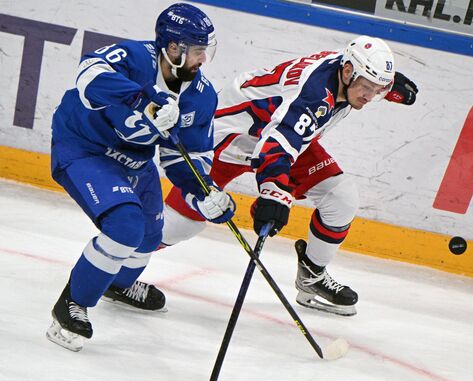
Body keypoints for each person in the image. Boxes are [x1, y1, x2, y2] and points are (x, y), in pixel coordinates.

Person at [161, 36, 418, 316]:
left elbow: (287, 139)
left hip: (281, 134)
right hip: (229, 136)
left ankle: (311, 278)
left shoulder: (347, 68)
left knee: (340, 198)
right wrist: (273, 193)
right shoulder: (315, 95)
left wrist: (386, 85)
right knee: (182, 224)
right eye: (367, 88)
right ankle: (120, 261)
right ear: (347, 72)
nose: (369, 97)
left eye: (377, 91)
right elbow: (275, 150)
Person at [46, 3, 235, 352]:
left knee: (149, 236)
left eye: (204, 51)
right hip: (84, 146)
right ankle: (71, 305)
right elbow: (88, 75)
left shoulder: (201, 96)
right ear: (173, 48)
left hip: (134, 160)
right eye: (196, 51)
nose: (202, 59)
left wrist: (204, 192)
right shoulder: (133, 57)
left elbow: (185, 159)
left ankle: (115, 284)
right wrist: (143, 96)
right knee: (125, 226)